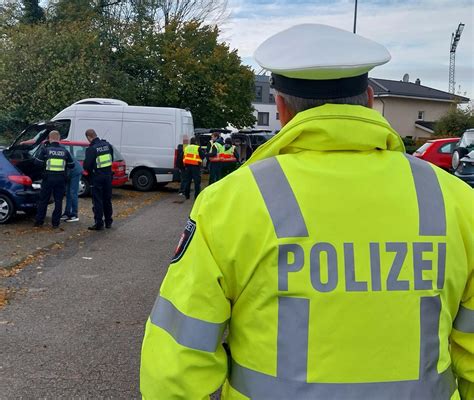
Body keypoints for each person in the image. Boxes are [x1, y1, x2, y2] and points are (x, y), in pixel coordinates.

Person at [140, 24, 474, 399]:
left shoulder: (230, 203)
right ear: (368, 99)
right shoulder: (458, 202)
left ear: (281, 108)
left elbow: (178, 362)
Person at [34, 130, 74, 228]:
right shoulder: (65, 151)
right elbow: (72, 165)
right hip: (60, 179)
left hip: (48, 179)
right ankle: (55, 223)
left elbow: (37, 163)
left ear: (49, 138)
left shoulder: (45, 150)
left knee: (43, 200)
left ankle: (39, 221)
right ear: (59, 139)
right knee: (58, 201)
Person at [83, 129, 114, 231]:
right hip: (108, 176)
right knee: (107, 200)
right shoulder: (107, 145)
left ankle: (99, 223)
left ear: (88, 137)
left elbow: (87, 166)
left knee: (98, 201)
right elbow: (111, 159)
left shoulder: (92, 149)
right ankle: (108, 222)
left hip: (97, 178)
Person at [61, 154, 83, 223]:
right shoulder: (60, 150)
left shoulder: (61, 152)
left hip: (75, 172)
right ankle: (67, 213)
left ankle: (74, 215)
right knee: (68, 193)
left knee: (73, 193)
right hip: (71, 172)